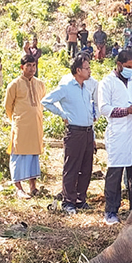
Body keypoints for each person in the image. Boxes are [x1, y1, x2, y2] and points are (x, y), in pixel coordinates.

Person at [42, 54, 97, 214]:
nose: (89, 71)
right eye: (86, 68)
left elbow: (88, 111)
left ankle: (81, 199)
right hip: (74, 132)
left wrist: (92, 135)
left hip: (87, 131)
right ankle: (68, 201)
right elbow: (46, 101)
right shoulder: (66, 86)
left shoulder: (86, 88)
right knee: (72, 167)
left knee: (86, 167)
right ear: (78, 70)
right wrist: (63, 115)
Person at [98, 50, 132, 225]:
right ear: (119, 65)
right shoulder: (107, 82)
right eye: (128, 67)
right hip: (118, 134)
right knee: (115, 174)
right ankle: (111, 211)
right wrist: (125, 111)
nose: (131, 70)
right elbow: (104, 108)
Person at [4, 54, 46, 199]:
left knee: (33, 155)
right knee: (19, 155)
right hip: (21, 126)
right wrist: (17, 120)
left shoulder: (40, 84)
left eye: (33, 65)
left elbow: (42, 102)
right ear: (22, 67)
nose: (31, 68)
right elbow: (8, 107)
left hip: (35, 126)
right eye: (28, 66)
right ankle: (19, 188)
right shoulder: (14, 85)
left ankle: (33, 186)